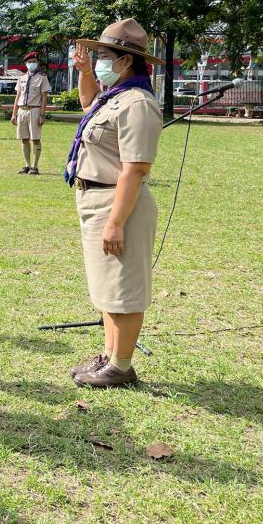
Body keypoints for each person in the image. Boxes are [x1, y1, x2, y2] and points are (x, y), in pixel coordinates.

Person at [64, 19, 162, 388]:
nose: (99, 60)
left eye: (104, 56)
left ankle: (122, 367)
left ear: (127, 61)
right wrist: (86, 71)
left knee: (124, 286)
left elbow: (135, 169)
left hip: (118, 202)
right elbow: (87, 102)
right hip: (95, 198)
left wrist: (116, 221)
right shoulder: (113, 97)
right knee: (107, 286)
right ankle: (109, 356)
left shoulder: (137, 103)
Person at [11, 52, 50, 175]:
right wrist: (14, 113)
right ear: (26, 64)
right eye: (29, 62)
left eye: (34, 61)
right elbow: (17, 97)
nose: (31, 64)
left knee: (36, 139)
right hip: (22, 110)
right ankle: (27, 165)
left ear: (37, 63)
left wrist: (42, 115)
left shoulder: (42, 77)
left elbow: (44, 98)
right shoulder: (21, 78)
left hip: (35, 110)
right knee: (24, 139)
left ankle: (35, 166)